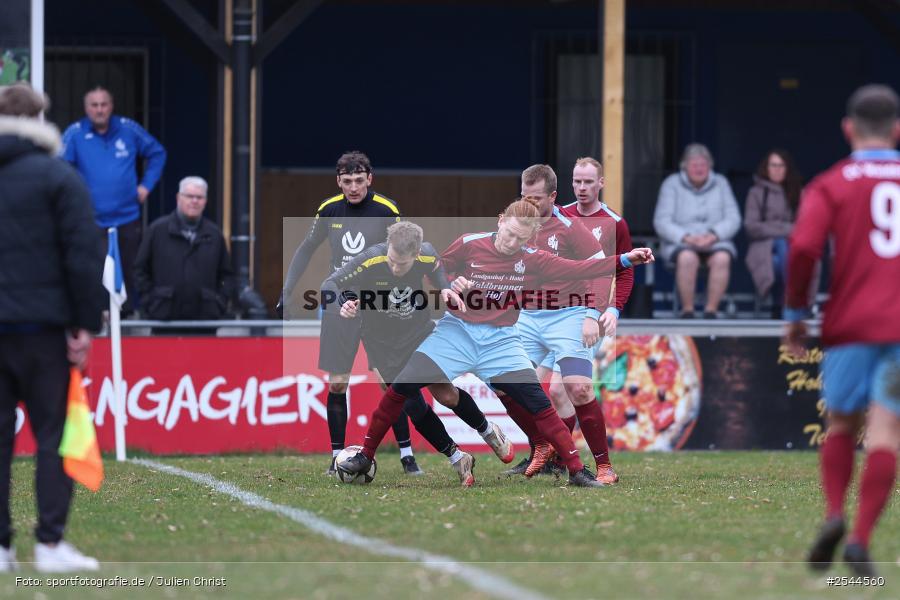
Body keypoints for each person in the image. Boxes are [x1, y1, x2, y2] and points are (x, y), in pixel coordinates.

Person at [339, 198, 654, 488]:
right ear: (500, 220)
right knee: (401, 387)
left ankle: (575, 470)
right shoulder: (469, 244)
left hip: (501, 342)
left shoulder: (533, 259)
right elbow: (435, 267)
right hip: (457, 332)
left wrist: (625, 259)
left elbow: (580, 268)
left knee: (541, 406)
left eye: (521, 238)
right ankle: (366, 454)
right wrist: (450, 285)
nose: (512, 242)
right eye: (510, 233)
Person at [785, 84, 900, 577]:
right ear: (897, 130)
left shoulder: (831, 183)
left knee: (841, 426)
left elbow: (803, 250)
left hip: (848, 325)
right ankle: (860, 539)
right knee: (886, 434)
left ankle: (834, 514)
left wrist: (795, 317)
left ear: (848, 129)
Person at [0, 83, 105, 572]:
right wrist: (85, 323)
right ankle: (49, 544)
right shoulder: (58, 177)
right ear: (43, 118)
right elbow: (84, 254)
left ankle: (1, 549)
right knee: (52, 435)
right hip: (43, 329)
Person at [323, 221, 515, 486]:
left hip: (418, 335)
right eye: (391, 260)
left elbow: (438, 270)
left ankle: (488, 431)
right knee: (412, 405)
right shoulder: (369, 259)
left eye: (402, 264)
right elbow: (329, 284)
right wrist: (343, 302)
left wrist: (445, 287)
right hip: (381, 343)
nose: (395, 268)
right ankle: (457, 457)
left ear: (415, 256)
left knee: (446, 395)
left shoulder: (426, 253)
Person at [278, 151, 420, 476]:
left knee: (389, 383)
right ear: (338, 181)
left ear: (369, 179)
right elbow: (305, 249)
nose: (353, 187)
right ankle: (337, 457)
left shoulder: (387, 210)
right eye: (347, 181)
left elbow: (405, 254)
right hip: (338, 302)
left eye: (359, 180)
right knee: (338, 383)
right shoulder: (329, 210)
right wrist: (287, 290)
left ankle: (407, 454)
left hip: (379, 305)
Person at [498, 164, 619, 485]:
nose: (530, 205)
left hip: (569, 315)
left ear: (552, 196)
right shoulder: (517, 223)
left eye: (536, 199)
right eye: (525, 197)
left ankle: (604, 466)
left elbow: (602, 270)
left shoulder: (570, 227)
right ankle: (543, 445)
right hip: (529, 316)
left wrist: (593, 315)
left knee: (576, 389)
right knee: (503, 383)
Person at [61, 86, 166, 315]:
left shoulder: (128, 129)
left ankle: (128, 316)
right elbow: (60, 166)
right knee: (92, 268)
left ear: (111, 106)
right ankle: (95, 315)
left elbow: (157, 152)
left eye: (104, 104)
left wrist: (146, 186)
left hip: (127, 215)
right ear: (86, 108)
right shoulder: (75, 133)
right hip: (91, 218)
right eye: (94, 105)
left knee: (130, 268)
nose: (99, 110)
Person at [653, 144, 740, 318]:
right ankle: (688, 310)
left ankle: (711, 311)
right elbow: (661, 221)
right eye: (694, 164)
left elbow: (733, 218)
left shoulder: (721, 183)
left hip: (715, 241)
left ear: (710, 166)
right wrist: (686, 238)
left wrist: (714, 235)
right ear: (684, 166)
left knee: (722, 258)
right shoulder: (671, 184)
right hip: (682, 242)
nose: (699, 168)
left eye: (703, 164)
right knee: (687, 257)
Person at [133, 176, 235, 320]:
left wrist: (218, 303)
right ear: (178, 198)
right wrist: (151, 302)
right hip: (163, 319)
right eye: (189, 196)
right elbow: (139, 270)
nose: (194, 201)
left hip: (205, 320)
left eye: (199, 197)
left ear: (205, 201)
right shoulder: (157, 230)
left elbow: (227, 275)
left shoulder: (214, 234)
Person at [744, 149, 804, 317]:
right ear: (766, 168)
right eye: (773, 165)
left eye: (781, 166)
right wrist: (784, 229)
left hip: (791, 246)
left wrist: (775, 229)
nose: (777, 169)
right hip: (763, 247)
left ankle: (780, 305)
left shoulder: (798, 192)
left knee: (781, 258)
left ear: (787, 169)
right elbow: (751, 226)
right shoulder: (756, 193)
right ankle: (789, 304)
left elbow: (804, 226)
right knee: (780, 247)